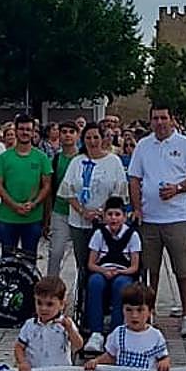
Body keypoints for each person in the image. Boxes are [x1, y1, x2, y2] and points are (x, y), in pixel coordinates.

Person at [128, 105, 186, 337]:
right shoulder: (143, 145)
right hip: (150, 219)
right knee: (150, 269)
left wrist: (178, 188)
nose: (160, 122)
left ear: (172, 119)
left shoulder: (185, 144)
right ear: (150, 121)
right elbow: (134, 178)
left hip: (178, 217)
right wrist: (137, 209)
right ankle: (149, 314)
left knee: (183, 269)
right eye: (155, 118)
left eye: (164, 118)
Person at [59, 122, 129, 313]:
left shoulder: (113, 161)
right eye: (88, 138)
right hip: (80, 222)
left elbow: (119, 191)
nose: (92, 141)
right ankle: (84, 304)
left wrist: (102, 212)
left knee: (104, 261)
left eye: (96, 137)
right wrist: (83, 211)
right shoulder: (76, 161)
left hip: (106, 223)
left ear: (103, 138)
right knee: (84, 265)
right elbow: (68, 191)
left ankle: (106, 304)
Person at [83, 196, 142, 354]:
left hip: (124, 271)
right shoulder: (99, 234)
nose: (113, 218)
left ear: (124, 216)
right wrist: (104, 271)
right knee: (94, 283)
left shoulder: (132, 235)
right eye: (110, 214)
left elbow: (135, 266)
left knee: (121, 286)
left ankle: (116, 333)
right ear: (104, 217)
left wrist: (119, 272)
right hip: (102, 270)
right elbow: (91, 263)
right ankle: (96, 333)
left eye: (117, 214)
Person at [0, 114, 51, 255]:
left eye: (28, 129)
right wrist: (14, 205)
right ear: (16, 130)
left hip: (33, 216)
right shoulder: (4, 158)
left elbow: (47, 185)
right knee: (7, 258)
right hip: (8, 217)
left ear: (33, 132)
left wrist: (34, 203)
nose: (25, 132)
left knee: (29, 259)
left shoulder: (41, 157)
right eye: (21, 129)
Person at [83, 283, 171, 371]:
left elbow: (164, 357)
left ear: (149, 312)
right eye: (129, 310)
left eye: (140, 310)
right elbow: (111, 356)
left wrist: (164, 363)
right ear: (123, 310)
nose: (134, 315)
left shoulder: (155, 336)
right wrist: (96, 361)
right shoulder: (119, 333)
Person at [14, 276, 83, 371]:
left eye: (49, 304)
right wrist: (22, 362)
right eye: (39, 303)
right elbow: (19, 347)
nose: (43, 308)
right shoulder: (29, 325)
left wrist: (70, 330)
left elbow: (79, 345)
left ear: (62, 304)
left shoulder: (66, 324)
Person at [45, 122, 79, 279]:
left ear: (77, 135)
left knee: (82, 257)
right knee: (56, 253)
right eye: (64, 131)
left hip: (79, 213)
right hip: (60, 212)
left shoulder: (82, 158)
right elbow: (50, 190)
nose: (67, 135)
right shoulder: (56, 159)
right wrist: (48, 217)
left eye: (71, 132)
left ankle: (82, 292)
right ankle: (51, 287)